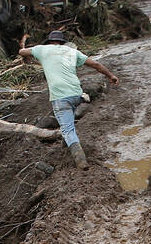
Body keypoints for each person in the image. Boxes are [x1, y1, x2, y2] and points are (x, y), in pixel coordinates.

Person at [18, 30, 119, 169]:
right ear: (62, 42)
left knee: (67, 130)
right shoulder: (72, 51)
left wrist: (23, 46)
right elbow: (95, 64)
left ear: (50, 42)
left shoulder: (42, 49)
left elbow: (22, 53)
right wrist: (111, 76)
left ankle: (81, 161)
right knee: (68, 122)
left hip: (60, 97)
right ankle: (66, 148)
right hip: (77, 94)